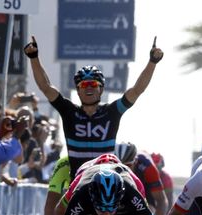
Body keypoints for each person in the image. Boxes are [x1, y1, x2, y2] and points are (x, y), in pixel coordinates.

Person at [24, 35, 163, 176]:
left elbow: (137, 90)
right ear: (77, 90)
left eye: (93, 84)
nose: (88, 88)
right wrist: (34, 58)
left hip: (106, 180)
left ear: (101, 89)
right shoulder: (68, 111)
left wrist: (152, 62)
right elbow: (46, 87)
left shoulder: (112, 112)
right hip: (78, 183)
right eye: (83, 85)